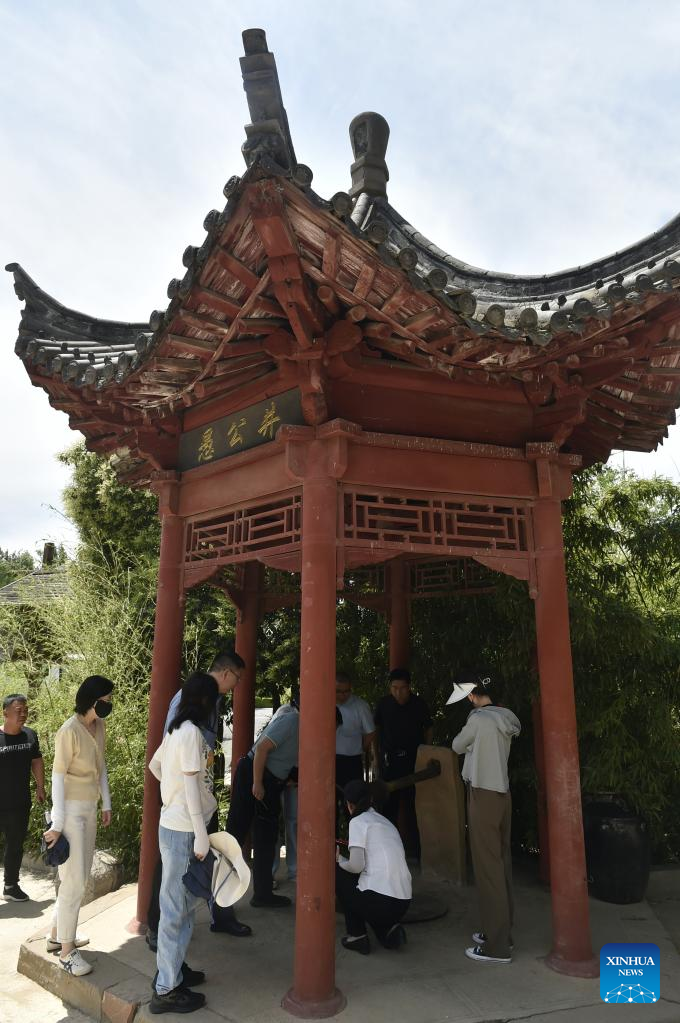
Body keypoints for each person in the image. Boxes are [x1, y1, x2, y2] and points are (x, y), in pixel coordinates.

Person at [146, 650, 250, 948]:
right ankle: (158, 928)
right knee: (171, 871)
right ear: (226, 673)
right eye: (237, 679)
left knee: (213, 857)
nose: (237, 685)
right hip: (183, 803)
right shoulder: (189, 700)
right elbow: (168, 753)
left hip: (200, 797)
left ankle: (221, 913)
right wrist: (178, 796)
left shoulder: (211, 700)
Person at [147, 671, 218, 1015]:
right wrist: (200, 833)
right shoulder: (190, 733)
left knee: (183, 906)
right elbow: (191, 785)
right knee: (176, 909)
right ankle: (166, 989)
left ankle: (172, 973)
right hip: (185, 830)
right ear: (205, 701)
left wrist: (171, 794)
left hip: (174, 824)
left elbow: (155, 765)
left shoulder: (176, 729)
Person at [43, 675, 114, 977]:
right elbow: (57, 777)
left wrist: (106, 802)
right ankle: (67, 952)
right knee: (74, 880)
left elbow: (101, 766)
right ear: (92, 700)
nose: (110, 704)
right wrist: (58, 823)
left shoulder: (99, 727)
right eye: (106, 700)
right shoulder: (68, 731)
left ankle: (56, 934)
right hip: (70, 812)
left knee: (78, 876)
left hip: (89, 808)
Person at [449, 668, 520, 965]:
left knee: (488, 869)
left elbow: (457, 745)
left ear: (472, 695)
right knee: (501, 863)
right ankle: (502, 931)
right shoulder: (507, 717)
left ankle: (496, 946)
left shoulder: (478, 719)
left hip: (482, 794)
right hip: (503, 794)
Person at [227, 691, 299, 908]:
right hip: (253, 773)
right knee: (236, 832)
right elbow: (261, 749)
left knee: (266, 837)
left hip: (272, 781)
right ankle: (218, 892)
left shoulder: (306, 728)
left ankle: (263, 894)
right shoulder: (292, 720)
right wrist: (257, 782)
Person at [335, 778, 411, 955]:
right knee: (366, 888)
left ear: (349, 805)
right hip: (403, 902)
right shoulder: (385, 821)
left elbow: (356, 866)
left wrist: (339, 861)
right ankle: (387, 930)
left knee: (337, 873)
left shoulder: (358, 822)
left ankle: (357, 936)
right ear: (370, 799)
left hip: (380, 903)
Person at [374, 668, 432, 859]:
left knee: (415, 806)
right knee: (388, 806)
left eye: (402, 688)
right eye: (394, 688)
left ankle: (417, 850)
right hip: (389, 761)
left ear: (409, 687)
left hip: (413, 761)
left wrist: (426, 752)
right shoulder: (384, 704)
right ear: (390, 688)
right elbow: (376, 730)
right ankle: (388, 850)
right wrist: (376, 757)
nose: (398, 692)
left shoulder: (419, 704)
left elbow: (429, 728)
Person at [0, 693, 45, 902]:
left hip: (19, 803)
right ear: (5, 712)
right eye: (18, 711)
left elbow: (36, 760)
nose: (23, 714)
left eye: (25, 710)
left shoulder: (30, 735)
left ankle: (11, 886)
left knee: (15, 846)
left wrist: (40, 786)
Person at [335, 672, 376, 789]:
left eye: (346, 691)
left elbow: (371, 732)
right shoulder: (325, 703)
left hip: (352, 760)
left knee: (354, 795)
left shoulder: (360, 706)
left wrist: (360, 747)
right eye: (338, 691)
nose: (342, 695)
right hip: (329, 759)